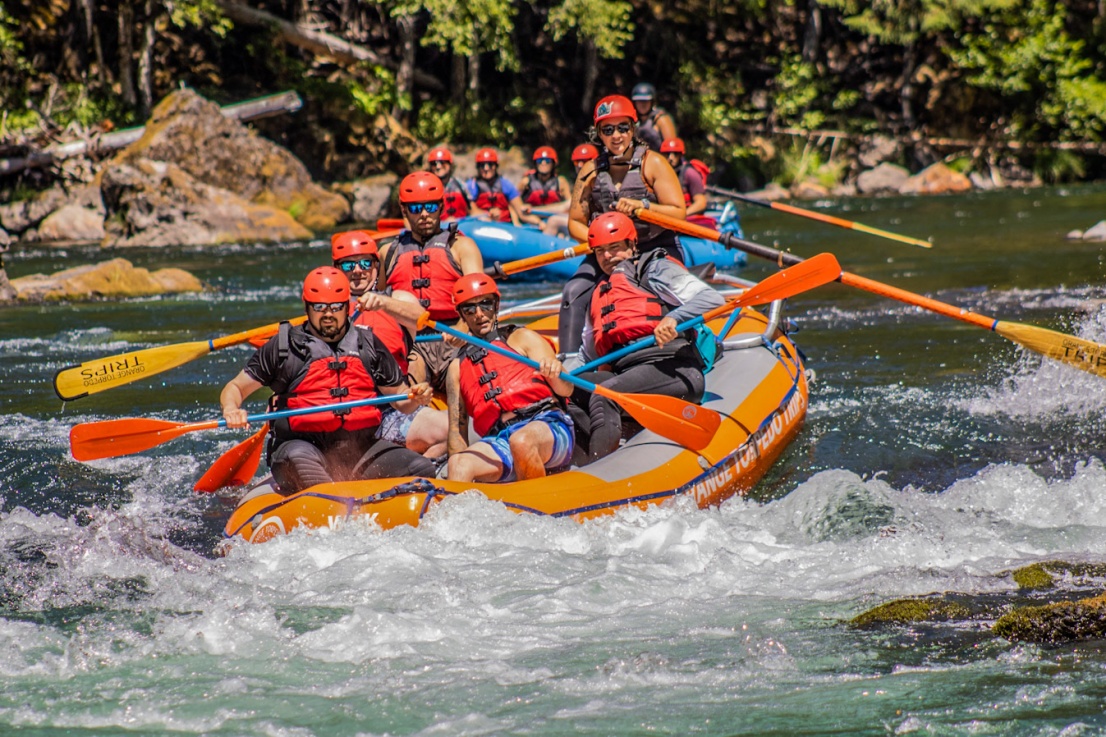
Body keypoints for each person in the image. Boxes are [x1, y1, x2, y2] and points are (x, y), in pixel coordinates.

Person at [220, 267, 436, 494]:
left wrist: (416, 397)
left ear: (347, 307)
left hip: (359, 451)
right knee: (302, 464)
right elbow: (235, 387)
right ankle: (333, 503)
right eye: (319, 307)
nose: (328, 314)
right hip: (302, 447)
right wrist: (231, 408)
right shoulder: (283, 348)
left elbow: (402, 401)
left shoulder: (368, 344)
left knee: (421, 469)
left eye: (336, 307)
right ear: (307, 307)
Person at [566, 212, 724, 463]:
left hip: (674, 369)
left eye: (614, 247)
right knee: (569, 392)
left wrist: (674, 318)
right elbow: (587, 356)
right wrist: (556, 376)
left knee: (605, 394)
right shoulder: (599, 293)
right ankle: (586, 463)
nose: (607, 256)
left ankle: (599, 473)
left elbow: (712, 299)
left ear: (632, 245)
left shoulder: (653, 268)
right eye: (600, 251)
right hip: (627, 374)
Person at [560, 94, 687, 351]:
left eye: (622, 128)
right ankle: (569, 362)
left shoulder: (654, 164)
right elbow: (574, 222)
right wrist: (602, 246)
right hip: (609, 252)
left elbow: (679, 213)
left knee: (660, 285)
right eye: (608, 129)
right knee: (574, 290)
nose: (616, 136)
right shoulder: (589, 171)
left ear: (633, 128)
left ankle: (687, 340)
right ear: (599, 134)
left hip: (654, 245)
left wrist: (645, 206)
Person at [444, 274, 575, 483]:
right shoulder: (456, 367)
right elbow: (456, 432)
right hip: (500, 439)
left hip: (547, 425)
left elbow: (566, 390)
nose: (479, 314)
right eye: (470, 309)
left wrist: (556, 373)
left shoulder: (522, 338)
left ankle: (541, 507)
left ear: (496, 305)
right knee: (459, 464)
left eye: (485, 304)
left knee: (521, 441)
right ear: (462, 315)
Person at [331, 230, 448, 458]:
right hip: (341, 412)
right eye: (348, 265)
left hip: (391, 408)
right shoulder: (326, 308)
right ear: (337, 270)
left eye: (365, 262)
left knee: (451, 429)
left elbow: (419, 317)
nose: (357, 270)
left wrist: (383, 303)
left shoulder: (398, 299)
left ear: (376, 266)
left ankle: (419, 472)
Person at [378, 171, 484, 394]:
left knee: (466, 382)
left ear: (442, 206)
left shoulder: (462, 247)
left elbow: (481, 299)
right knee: (410, 374)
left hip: (455, 335)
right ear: (404, 209)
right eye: (416, 208)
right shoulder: (387, 253)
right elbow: (377, 311)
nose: (424, 214)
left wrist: (464, 328)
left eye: (431, 207)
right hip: (411, 341)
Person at [466, 148, 537, 225]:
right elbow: (472, 211)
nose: (486, 169)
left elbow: (521, 212)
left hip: (504, 225)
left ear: (496, 166)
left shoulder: (505, 184)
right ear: (477, 167)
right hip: (480, 224)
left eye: (490, 164)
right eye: (482, 165)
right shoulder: (471, 185)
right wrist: (488, 215)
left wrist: (539, 223)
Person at [518, 146, 572, 236]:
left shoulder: (561, 182)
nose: (543, 163)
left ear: (553, 164)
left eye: (547, 161)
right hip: (531, 220)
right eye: (540, 161)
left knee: (561, 235)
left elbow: (569, 206)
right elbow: (516, 205)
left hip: (553, 220)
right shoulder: (526, 182)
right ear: (535, 163)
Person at [660, 137, 713, 227]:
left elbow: (701, 203)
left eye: (675, 154)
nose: (671, 157)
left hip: (688, 220)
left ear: (681, 155)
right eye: (667, 154)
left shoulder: (690, 173)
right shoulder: (659, 172)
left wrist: (682, 215)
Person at [426, 146, 470, 220]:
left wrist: (487, 216)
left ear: (450, 164)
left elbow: (472, 210)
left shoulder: (460, 184)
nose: (438, 166)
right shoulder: (426, 188)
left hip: (461, 227)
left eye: (442, 162)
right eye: (434, 164)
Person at [630, 82, 677, 152]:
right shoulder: (634, 121)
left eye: (646, 101)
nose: (642, 104)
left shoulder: (661, 119)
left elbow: (673, 146)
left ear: (652, 102)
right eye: (639, 101)